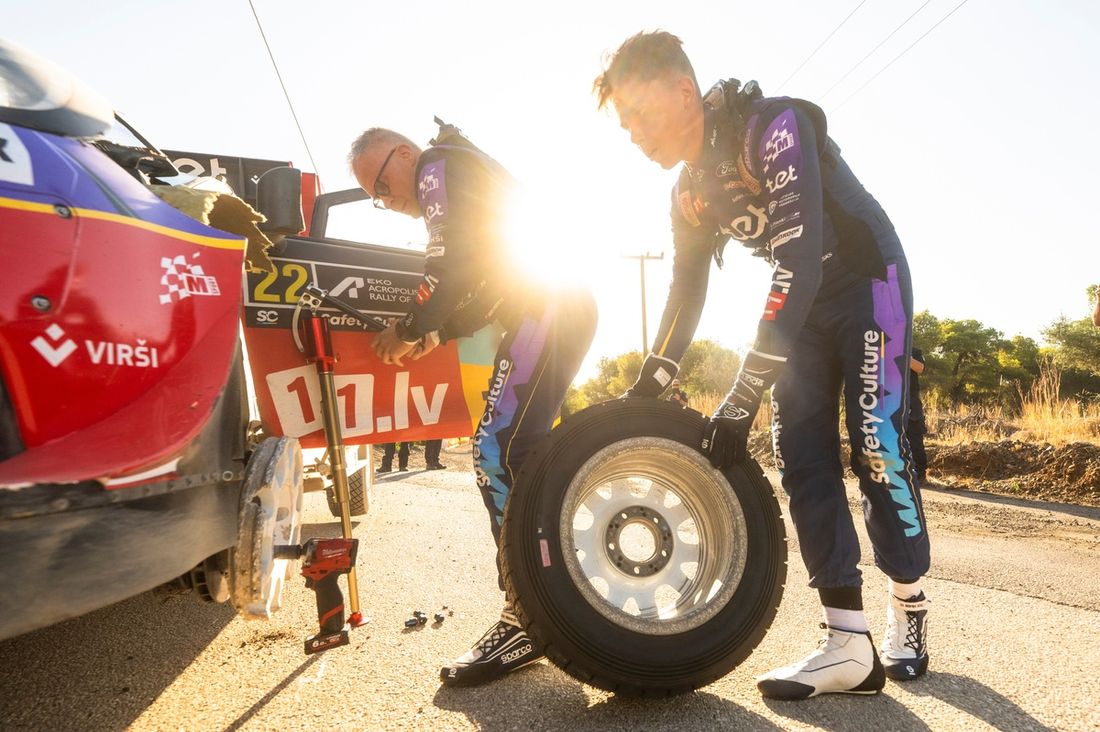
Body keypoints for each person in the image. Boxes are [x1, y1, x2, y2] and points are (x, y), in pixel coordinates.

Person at [595, 31, 930, 700]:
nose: (633, 132)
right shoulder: (687, 192)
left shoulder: (769, 126)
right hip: (803, 305)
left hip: (868, 283)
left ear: (684, 92)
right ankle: (846, 644)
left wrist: (744, 391)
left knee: (876, 444)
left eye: (640, 112)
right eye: (624, 122)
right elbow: (686, 290)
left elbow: (798, 259)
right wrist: (649, 384)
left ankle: (911, 609)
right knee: (799, 452)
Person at [349, 122, 597, 687]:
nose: (386, 203)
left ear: (404, 154)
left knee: (497, 447)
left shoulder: (437, 165)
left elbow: (449, 263)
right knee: (523, 453)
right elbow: (482, 283)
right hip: (548, 304)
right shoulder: (461, 177)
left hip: (549, 305)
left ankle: (528, 613)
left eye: (382, 187)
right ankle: (557, 597)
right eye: (374, 200)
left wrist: (412, 325)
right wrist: (430, 335)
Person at [908, 349, 928, 484]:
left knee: (915, 437)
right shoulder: (883, 348)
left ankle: (920, 474)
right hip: (890, 398)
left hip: (911, 399)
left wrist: (901, 352)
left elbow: (920, 368)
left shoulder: (914, 351)